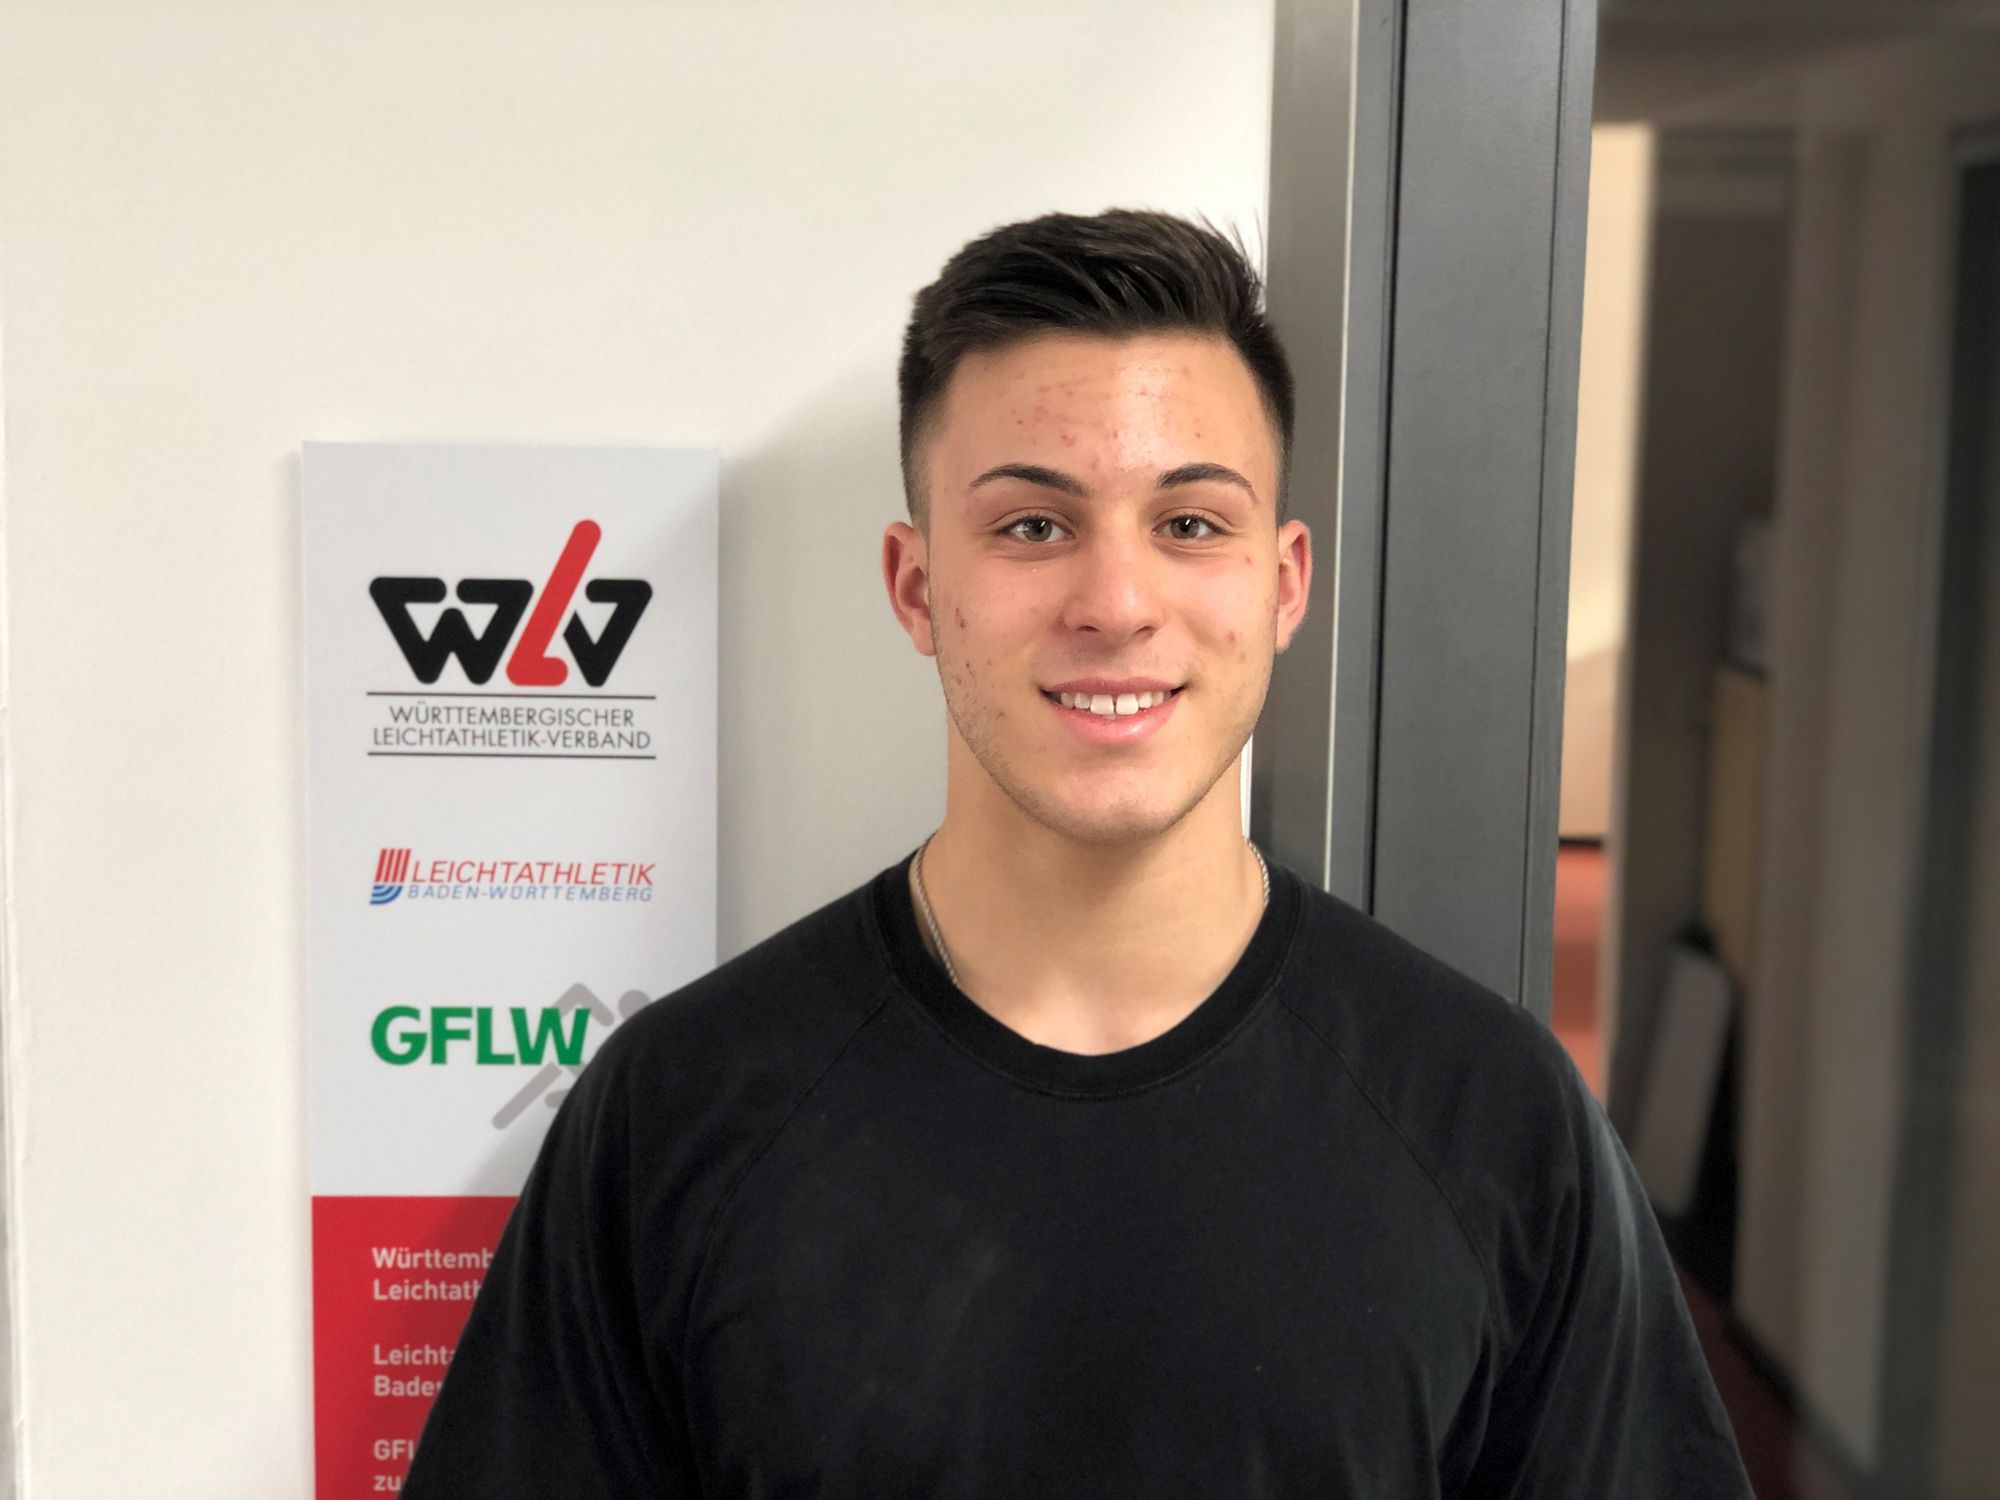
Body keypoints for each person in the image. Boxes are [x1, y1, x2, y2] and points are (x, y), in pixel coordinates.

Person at [401, 208, 1752, 1497]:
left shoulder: (1491, 1116)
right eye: (1033, 526)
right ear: (917, 587)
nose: (1115, 603)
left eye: (1191, 523)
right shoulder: (680, 1112)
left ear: (1284, 584)